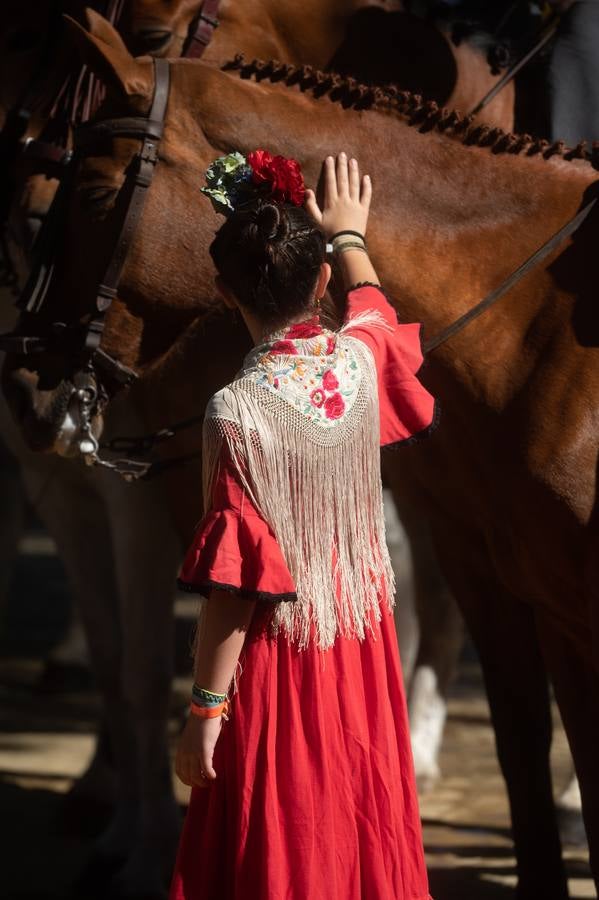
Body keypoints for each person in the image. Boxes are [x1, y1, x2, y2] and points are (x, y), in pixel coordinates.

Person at [169, 151, 437, 900]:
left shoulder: (235, 411)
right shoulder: (359, 360)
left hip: (280, 667)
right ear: (319, 282)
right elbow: (374, 304)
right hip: (358, 643)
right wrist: (349, 234)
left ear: (225, 294)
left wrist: (205, 711)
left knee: (288, 837)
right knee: (357, 826)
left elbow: (233, 588)